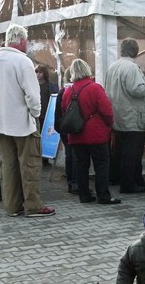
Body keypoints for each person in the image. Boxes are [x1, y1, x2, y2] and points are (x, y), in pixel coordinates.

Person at [0, 24, 55, 218]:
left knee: (7, 166)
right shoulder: (22, 61)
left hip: (0, 122)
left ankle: (12, 205)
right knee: (30, 164)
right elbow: (33, 94)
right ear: (22, 41)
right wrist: (35, 114)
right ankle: (33, 205)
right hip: (23, 123)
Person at [105, 38, 145, 194]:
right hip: (132, 116)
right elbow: (137, 89)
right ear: (135, 50)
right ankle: (129, 184)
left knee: (121, 152)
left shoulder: (113, 67)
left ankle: (132, 179)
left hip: (118, 116)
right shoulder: (131, 68)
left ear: (122, 50)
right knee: (132, 153)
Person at [62, 59, 120, 205]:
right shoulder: (95, 88)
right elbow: (107, 111)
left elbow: (64, 110)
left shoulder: (68, 91)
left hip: (76, 134)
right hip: (96, 134)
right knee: (101, 165)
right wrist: (109, 125)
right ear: (87, 69)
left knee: (81, 165)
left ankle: (84, 195)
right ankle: (103, 196)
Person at [54, 69, 78, 195]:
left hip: (64, 128)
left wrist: (59, 128)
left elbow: (57, 112)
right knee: (75, 156)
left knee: (69, 155)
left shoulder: (62, 92)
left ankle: (71, 182)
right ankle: (75, 182)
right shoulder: (74, 91)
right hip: (74, 128)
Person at [35, 63, 59, 167]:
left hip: (46, 115)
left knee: (46, 137)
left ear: (44, 73)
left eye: (40, 72)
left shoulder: (50, 86)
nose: (38, 74)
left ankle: (45, 159)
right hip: (37, 114)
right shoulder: (33, 85)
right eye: (36, 72)